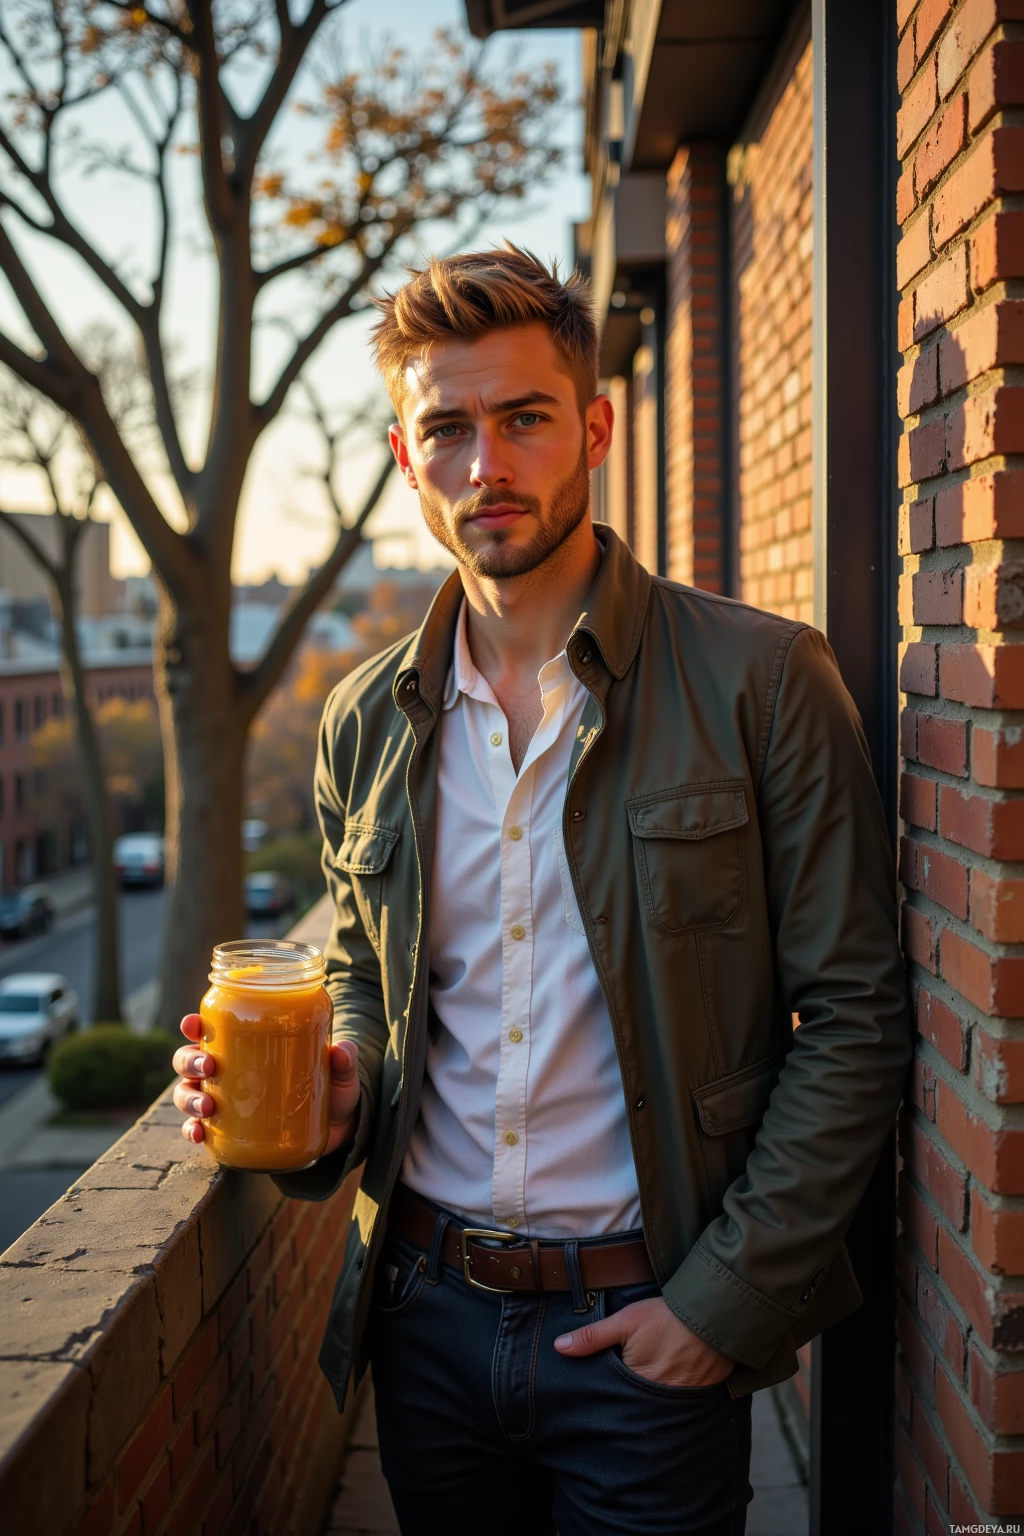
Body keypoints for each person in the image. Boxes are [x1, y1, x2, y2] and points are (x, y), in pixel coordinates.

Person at [173, 246, 912, 1535]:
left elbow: (856, 1018)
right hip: (423, 1322)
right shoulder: (363, 720)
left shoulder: (761, 681)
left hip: (649, 1330)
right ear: (406, 457)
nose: (486, 466)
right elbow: (366, 974)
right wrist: (339, 1089)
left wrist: (719, 1306)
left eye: (524, 418)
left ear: (597, 430)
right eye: (446, 430)